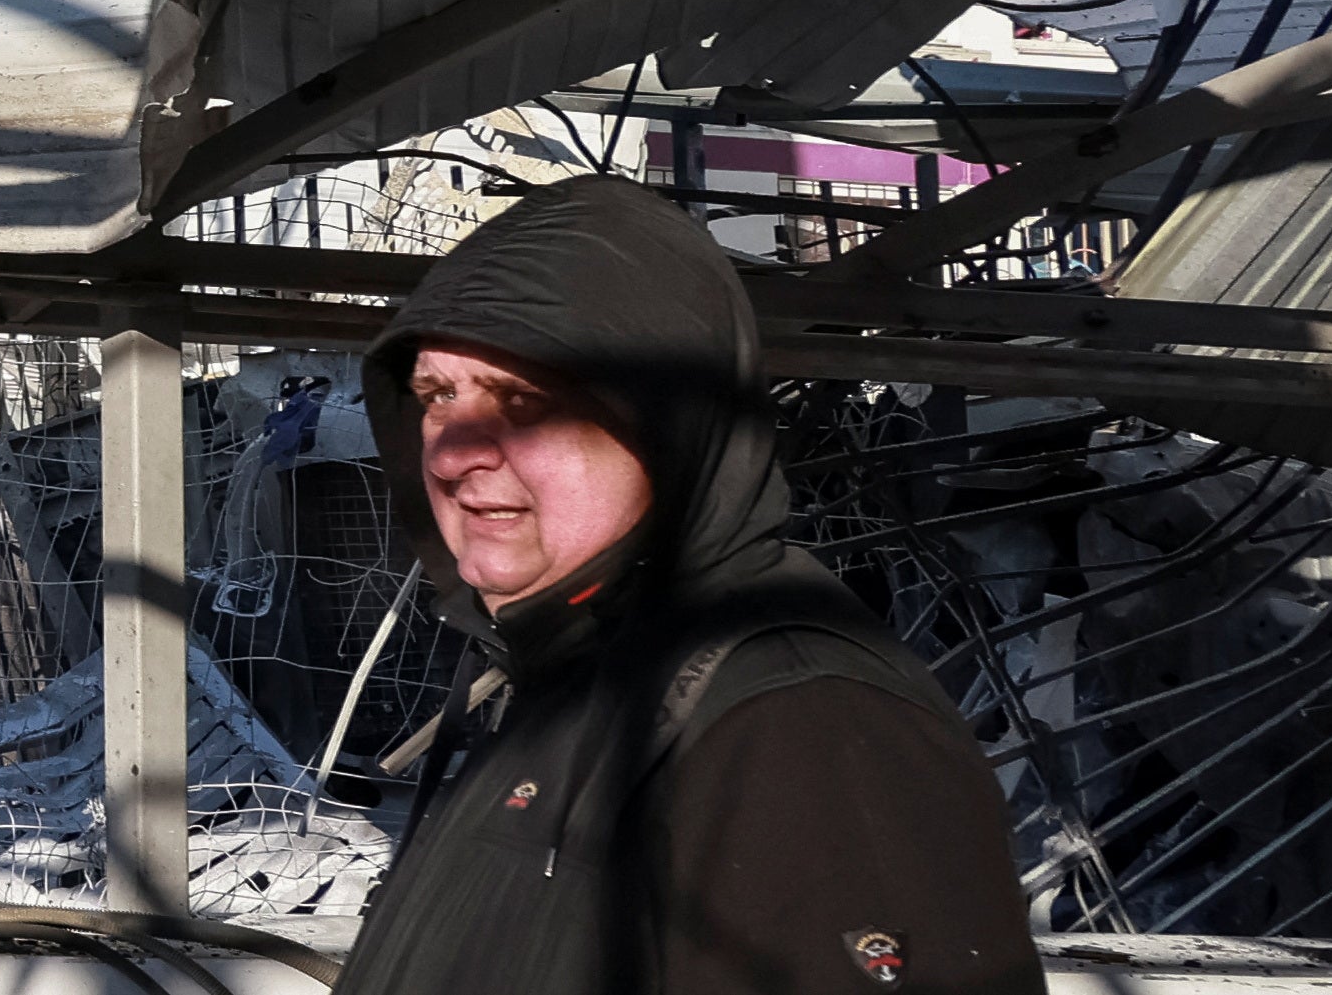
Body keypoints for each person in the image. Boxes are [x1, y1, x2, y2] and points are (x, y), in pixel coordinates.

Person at [335, 174, 1038, 995]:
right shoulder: (578, 679)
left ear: (666, 424)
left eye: (523, 400)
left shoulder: (798, 727)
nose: (455, 452)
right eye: (435, 395)